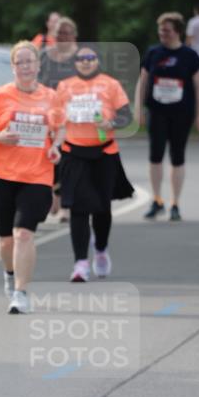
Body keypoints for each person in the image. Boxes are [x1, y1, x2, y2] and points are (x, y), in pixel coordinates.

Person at [0, 40, 60, 313]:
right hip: (2, 175)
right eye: (19, 62)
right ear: (13, 67)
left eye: (29, 61)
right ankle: (9, 274)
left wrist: (56, 146)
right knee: (6, 238)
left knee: (24, 235)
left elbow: (61, 129)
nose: (25, 66)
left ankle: (21, 292)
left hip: (37, 176)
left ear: (38, 65)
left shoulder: (51, 97)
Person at [55, 45, 134, 281]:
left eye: (90, 58)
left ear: (97, 61)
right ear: (75, 63)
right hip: (73, 152)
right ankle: (80, 263)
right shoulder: (64, 86)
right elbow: (56, 119)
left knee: (102, 208)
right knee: (78, 209)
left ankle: (100, 249)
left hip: (104, 153)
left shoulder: (110, 84)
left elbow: (125, 115)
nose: (86, 61)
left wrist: (111, 123)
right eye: (81, 58)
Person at [135, 12, 199, 221]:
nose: (162, 34)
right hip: (157, 112)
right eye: (160, 30)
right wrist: (138, 108)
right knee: (155, 156)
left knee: (178, 157)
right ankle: (157, 200)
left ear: (177, 31)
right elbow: (143, 81)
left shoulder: (189, 55)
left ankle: (175, 203)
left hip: (181, 113)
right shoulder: (153, 53)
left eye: (166, 30)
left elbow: (198, 86)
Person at [38, 16, 79, 222]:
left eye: (67, 33)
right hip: (48, 115)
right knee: (50, 158)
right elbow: (35, 83)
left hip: (73, 116)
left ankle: (65, 205)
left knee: (68, 160)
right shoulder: (44, 56)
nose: (63, 36)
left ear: (74, 36)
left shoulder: (81, 58)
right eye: (59, 33)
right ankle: (53, 196)